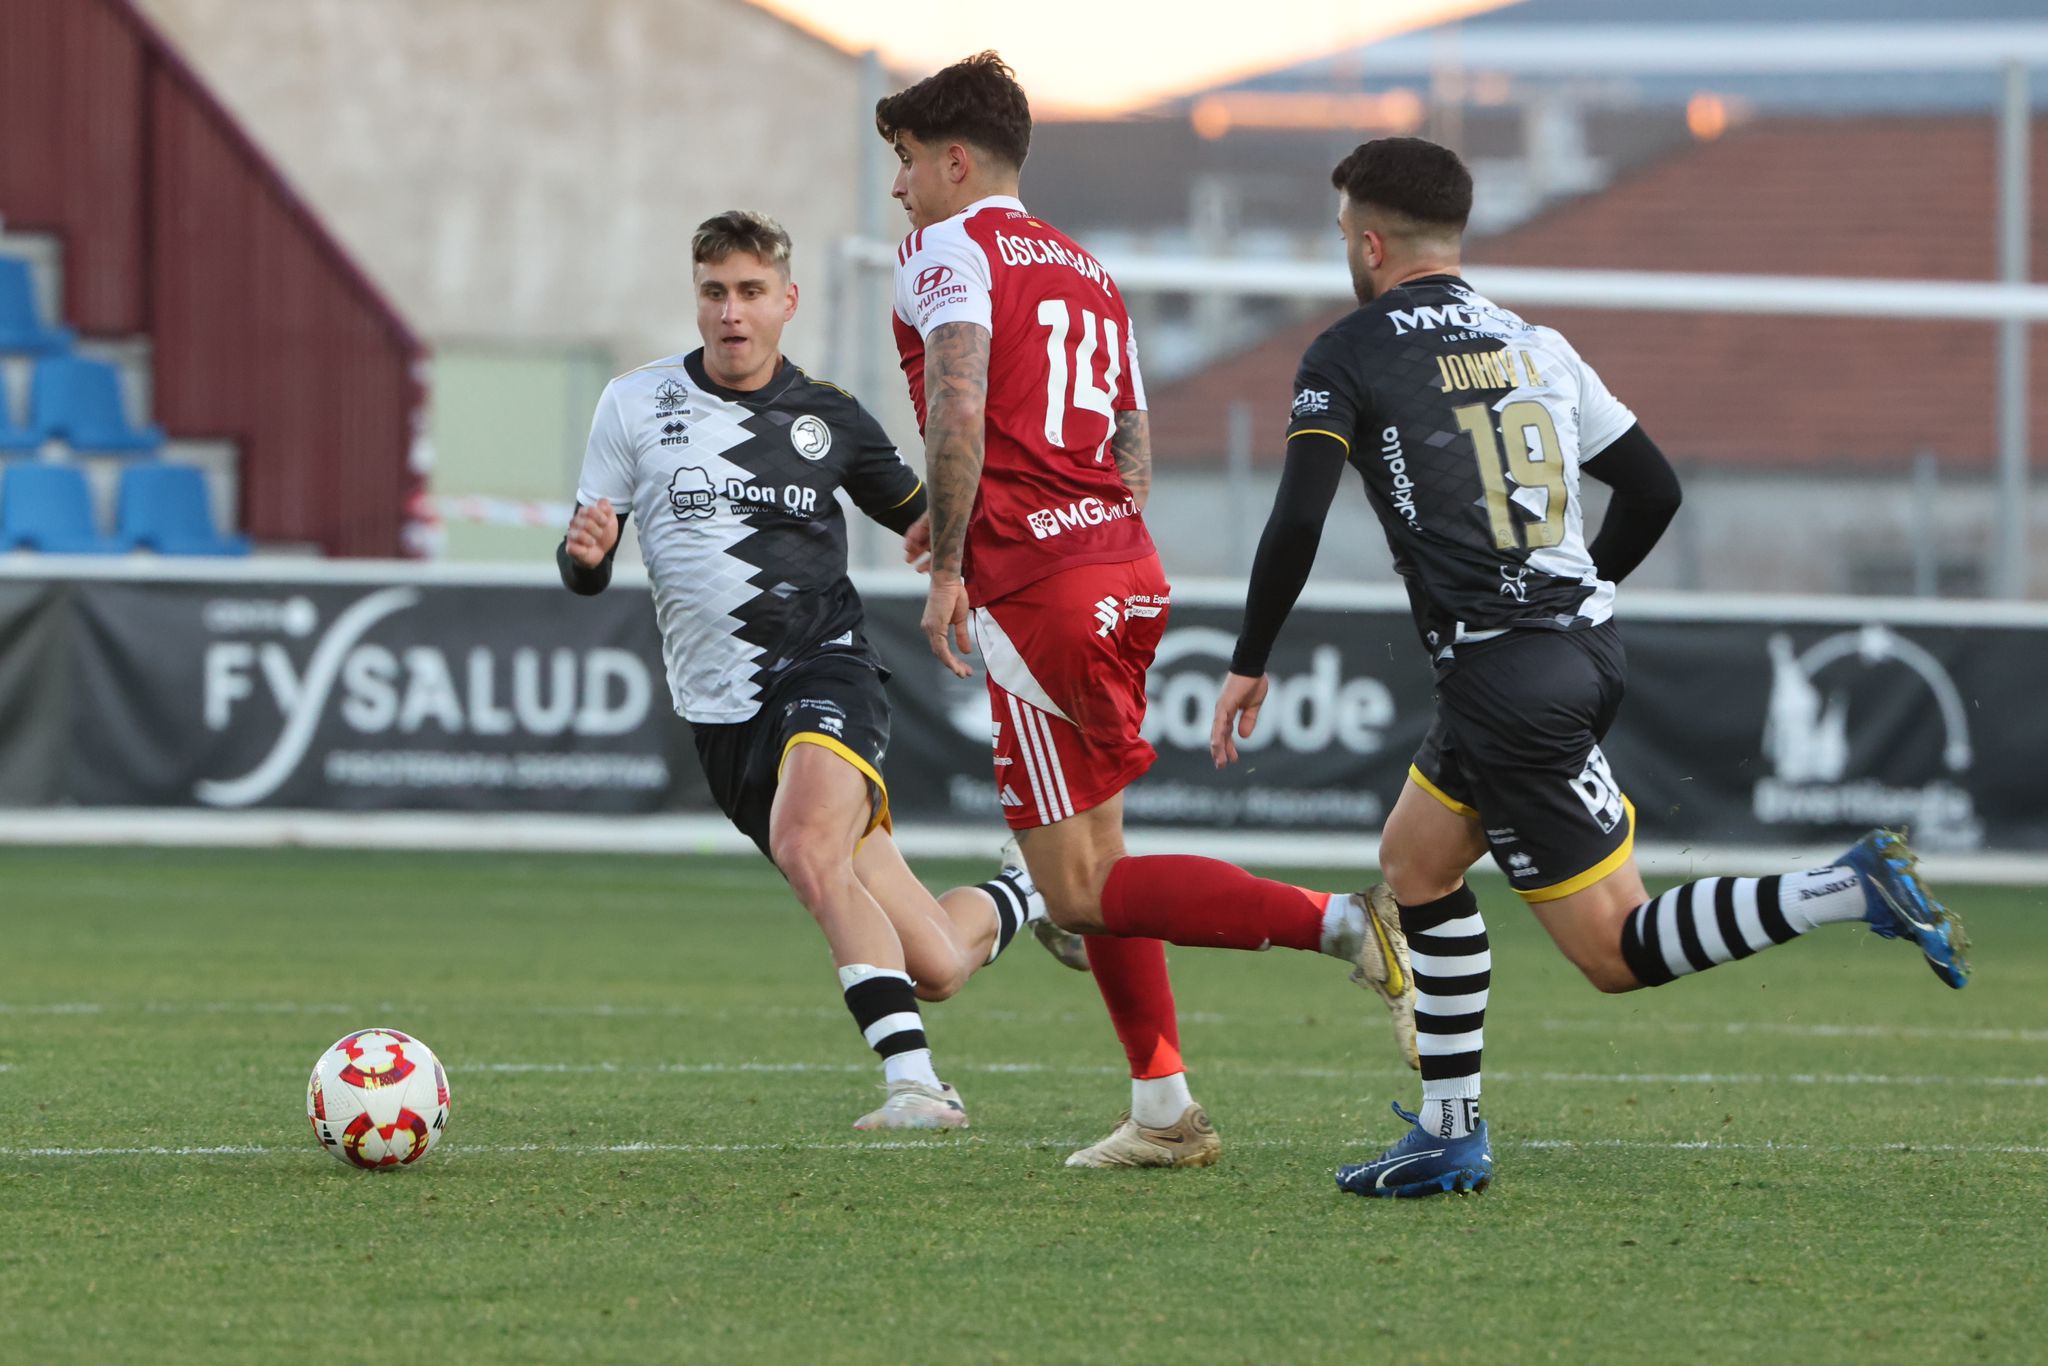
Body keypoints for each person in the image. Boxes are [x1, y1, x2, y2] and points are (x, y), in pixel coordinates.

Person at [1207, 137, 1971, 1199]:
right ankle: (1448, 1130)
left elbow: (1295, 512)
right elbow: (1651, 489)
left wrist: (1250, 658)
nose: (1344, 248)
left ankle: (1842, 886)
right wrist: (1563, 605)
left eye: (1343, 233)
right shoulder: (1536, 344)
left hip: (1504, 679)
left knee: (1611, 952)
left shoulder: (1348, 350)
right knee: (1416, 860)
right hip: (1566, 651)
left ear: (1369, 241)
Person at [877, 53, 1419, 1172]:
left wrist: (954, 561)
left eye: (905, 162)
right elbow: (1125, 441)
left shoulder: (945, 247)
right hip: (1120, 564)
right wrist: (1001, 520)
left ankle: (1342, 924)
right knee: (1101, 862)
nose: (897, 188)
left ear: (955, 159)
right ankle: (1164, 1108)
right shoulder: (1084, 267)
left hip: (1039, 590)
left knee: (1069, 894)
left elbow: (963, 397)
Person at [559, 209, 1085, 1133]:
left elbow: (931, 518)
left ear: (786, 302)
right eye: (715, 293)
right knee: (938, 964)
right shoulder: (632, 405)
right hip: (721, 719)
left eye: (751, 292)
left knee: (809, 846)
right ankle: (1028, 889)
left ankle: (917, 1086)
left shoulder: (828, 418)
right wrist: (589, 553)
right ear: (697, 301)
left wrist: (975, 569)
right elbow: (583, 567)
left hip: (824, 670)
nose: (732, 312)